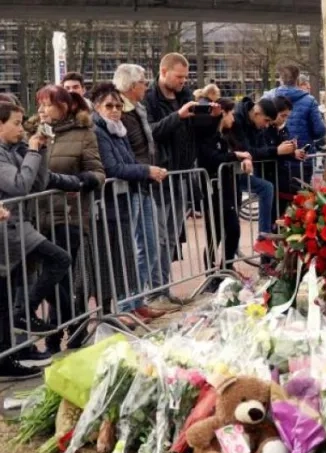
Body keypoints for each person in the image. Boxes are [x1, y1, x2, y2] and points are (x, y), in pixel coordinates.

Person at [0, 101, 73, 378]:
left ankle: (15, 342)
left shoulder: (10, 151)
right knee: (57, 259)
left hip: (19, 228)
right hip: (11, 230)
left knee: (11, 289)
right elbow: (18, 184)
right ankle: (15, 334)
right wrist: (31, 150)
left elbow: (37, 184)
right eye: (16, 124)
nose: (21, 128)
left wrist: (41, 150)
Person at [143, 52, 219, 309]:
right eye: (178, 77)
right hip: (162, 175)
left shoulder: (186, 96)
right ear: (163, 72)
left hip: (183, 174)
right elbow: (150, 132)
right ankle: (154, 292)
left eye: (186, 77)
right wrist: (179, 116)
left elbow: (197, 133)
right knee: (157, 237)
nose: (183, 82)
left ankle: (164, 288)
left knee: (171, 237)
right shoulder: (149, 98)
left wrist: (212, 117)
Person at [36, 85, 105, 352]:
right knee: (50, 278)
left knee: (60, 275)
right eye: (39, 104)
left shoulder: (84, 134)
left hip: (69, 216)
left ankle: (60, 333)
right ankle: (73, 323)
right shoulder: (34, 132)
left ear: (64, 107)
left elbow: (98, 172)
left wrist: (78, 182)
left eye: (48, 104)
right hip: (37, 215)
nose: (42, 110)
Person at [89, 82, 166, 321]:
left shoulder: (119, 129)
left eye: (118, 106)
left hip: (136, 191)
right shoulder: (98, 131)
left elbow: (128, 160)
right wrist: (146, 170)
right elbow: (113, 167)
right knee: (129, 254)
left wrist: (144, 172)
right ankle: (127, 304)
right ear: (97, 107)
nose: (114, 110)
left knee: (150, 249)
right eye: (109, 106)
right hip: (118, 198)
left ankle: (136, 300)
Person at [196, 98, 250, 286]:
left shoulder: (225, 135)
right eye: (231, 114)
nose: (233, 118)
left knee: (233, 230)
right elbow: (210, 159)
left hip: (227, 189)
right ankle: (212, 277)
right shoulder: (207, 136)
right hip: (213, 190)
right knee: (215, 235)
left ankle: (225, 267)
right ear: (223, 114)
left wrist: (243, 158)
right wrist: (234, 156)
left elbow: (243, 150)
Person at [230, 96, 281, 234]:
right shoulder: (237, 119)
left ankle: (264, 235)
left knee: (232, 225)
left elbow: (259, 149)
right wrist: (276, 150)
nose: (266, 125)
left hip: (236, 172)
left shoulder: (254, 123)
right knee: (227, 225)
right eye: (266, 121)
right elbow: (248, 150)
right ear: (256, 112)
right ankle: (263, 235)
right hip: (227, 173)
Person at [262, 96, 305, 227]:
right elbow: (264, 150)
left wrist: (293, 151)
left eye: (287, 116)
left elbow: (282, 148)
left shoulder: (282, 128)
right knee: (271, 215)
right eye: (282, 116)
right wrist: (279, 150)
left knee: (282, 211)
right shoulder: (264, 128)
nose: (284, 119)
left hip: (282, 175)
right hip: (270, 176)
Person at [267, 65, 326, 149]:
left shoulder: (269, 97)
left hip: (276, 155)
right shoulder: (310, 100)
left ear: (280, 79)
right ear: (297, 79)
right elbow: (320, 131)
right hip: (303, 153)